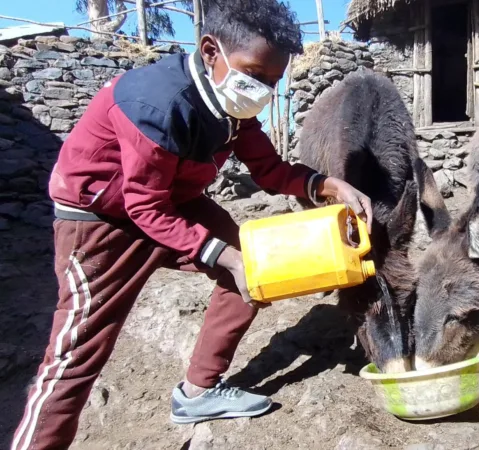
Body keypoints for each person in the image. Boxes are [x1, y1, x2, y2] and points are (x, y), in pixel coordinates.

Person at [11, 1, 373, 449]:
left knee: (258, 269)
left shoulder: (231, 109)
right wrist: (222, 254)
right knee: (78, 354)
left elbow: (269, 170)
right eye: (254, 74)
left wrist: (326, 185)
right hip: (100, 220)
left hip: (174, 203)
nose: (261, 89)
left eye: (273, 82)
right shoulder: (156, 103)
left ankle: (199, 390)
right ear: (209, 51)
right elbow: (143, 205)